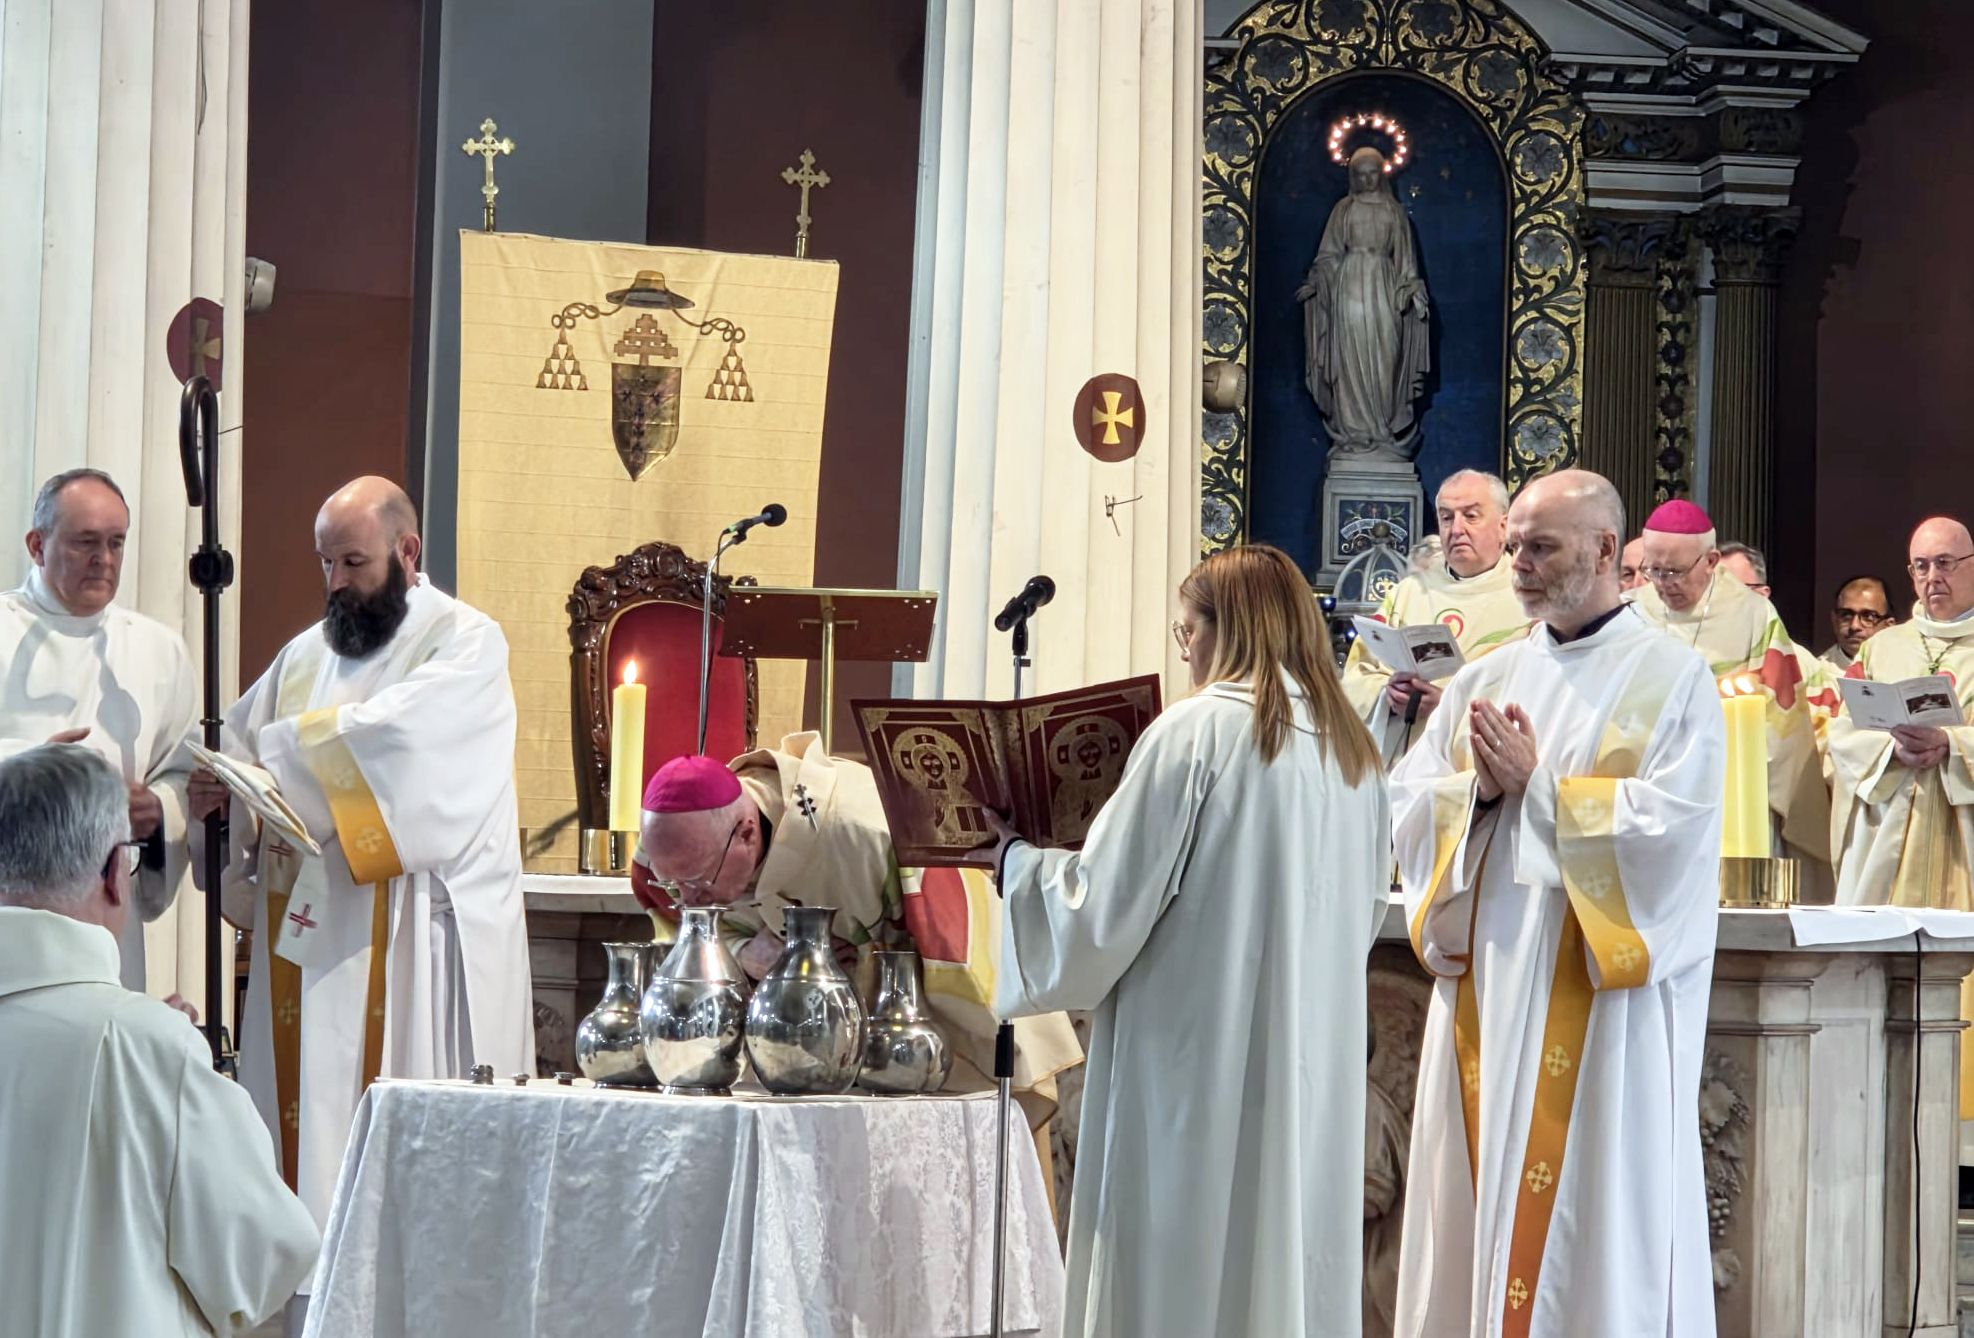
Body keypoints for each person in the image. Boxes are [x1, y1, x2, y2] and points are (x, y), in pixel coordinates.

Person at [983, 543, 1389, 1337]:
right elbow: (1364, 915)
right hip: (1308, 1064)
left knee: (1181, 1262)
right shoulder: (1354, 752)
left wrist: (1018, 864)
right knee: (1284, 1257)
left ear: (1225, 629)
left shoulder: (1195, 733)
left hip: (1192, 1066)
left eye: (1187, 629)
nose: (1183, 648)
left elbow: (1104, 906)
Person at [1391, 470, 1724, 1336]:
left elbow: (1676, 833)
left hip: (1599, 1004)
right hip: (1491, 989)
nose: (1521, 566)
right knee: (1471, 1208)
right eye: (1517, 548)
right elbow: (1411, 800)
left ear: (1607, 550)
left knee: (1598, 1212)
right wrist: (1484, 801)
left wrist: (1540, 792)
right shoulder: (1483, 680)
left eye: (1541, 547)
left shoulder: (1673, 679)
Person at [188, 477, 534, 1240]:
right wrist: (221, 791)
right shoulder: (305, 656)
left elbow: (403, 746)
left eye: (353, 562)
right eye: (326, 564)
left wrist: (276, 765)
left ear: (407, 553)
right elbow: (244, 746)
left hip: (412, 942)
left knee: (407, 1180)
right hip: (312, 940)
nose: (335, 583)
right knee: (305, 1149)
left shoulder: (465, 640)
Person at [0, 744, 317, 1337]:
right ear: (116, 874)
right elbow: (262, 1262)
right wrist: (164, 1057)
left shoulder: (140, 1041)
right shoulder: (148, 1049)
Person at [632, 740, 1082, 1121]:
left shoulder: (864, 835)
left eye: (695, 881)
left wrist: (851, 969)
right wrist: (745, 952)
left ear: (748, 834)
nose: (687, 898)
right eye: (671, 882)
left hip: (926, 1053)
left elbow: (949, 953)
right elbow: (686, 928)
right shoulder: (690, 840)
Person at [0, 468, 197, 994]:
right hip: (9, 904)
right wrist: (37, 776)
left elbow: (183, 771)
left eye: (116, 543)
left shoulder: (159, 651)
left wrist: (157, 810)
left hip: (107, 906)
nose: (104, 560)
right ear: (37, 545)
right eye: (85, 542)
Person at [1827, 518, 1974, 1137]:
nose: (1931, 578)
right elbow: (1842, 735)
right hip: (1891, 832)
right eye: (1920, 566)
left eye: (1945, 563)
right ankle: (1871, 1111)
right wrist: (1891, 747)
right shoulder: (1883, 649)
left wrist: (1953, 744)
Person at [1631, 500, 1827, 869]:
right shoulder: (1631, 611)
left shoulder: (1753, 615)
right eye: (1652, 570)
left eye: (1674, 571)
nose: (1662, 584)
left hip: (1729, 789)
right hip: (1649, 783)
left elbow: (1783, 718)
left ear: (1710, 561)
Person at [1341, 469, 1529, 764]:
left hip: (1477, 774)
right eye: (1446, 517)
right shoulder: (1409, 592)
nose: (1456, 529)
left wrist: (1448, 707)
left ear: (1504, 527)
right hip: (1401, 764)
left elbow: (1537, 696)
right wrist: (1388, 696)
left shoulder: (1528, 599)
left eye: (1471, 516)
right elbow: (1357, 672)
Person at [1823, 574, 1895, 671]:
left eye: (1868, 616)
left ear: (1888, 626)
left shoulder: (1908, 669)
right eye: (1846, 615)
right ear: (1834, 619)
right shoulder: (1818, 676)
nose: (1854, 626)